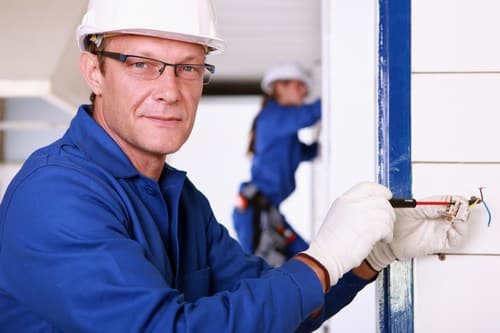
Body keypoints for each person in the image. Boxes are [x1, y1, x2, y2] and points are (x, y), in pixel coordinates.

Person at [0, 0, 471, 332]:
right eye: (142, 64)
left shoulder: (181, 202)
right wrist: (320, 259)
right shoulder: (55, 196)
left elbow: (279, 306)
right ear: (94, 72)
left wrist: (370, 257)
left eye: (187, 67)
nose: (169, 90)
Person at [233, 62, 321, 266]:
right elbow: (311, 114)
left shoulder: (284, 128)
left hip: (268, 210)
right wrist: (338, 95)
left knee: (306, 259)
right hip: (256, 210)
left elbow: (304, 152)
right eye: (299, 86)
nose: (303, 92)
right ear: (279, 87)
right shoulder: (274, 117)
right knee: (263, 268)